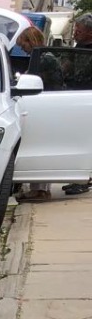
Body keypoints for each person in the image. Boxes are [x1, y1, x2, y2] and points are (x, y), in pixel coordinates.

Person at [16, 27, 63, 201]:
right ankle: (39, 188)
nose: (22, 49)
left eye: (23, 45)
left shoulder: (44, 59)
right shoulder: (45, 57)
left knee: (40, 144)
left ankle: (40, 189)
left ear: (31, 41)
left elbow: (28, 79)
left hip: (47, 106)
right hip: (50, 105)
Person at [61, 13, 92, 195]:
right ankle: (77, 177)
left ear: (90, 32)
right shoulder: (78, 47)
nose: (74, 34)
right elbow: (66, 66)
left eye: (78, 31)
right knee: (76, 138)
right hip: (75, 97)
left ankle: (84, 179)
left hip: (88, 97)